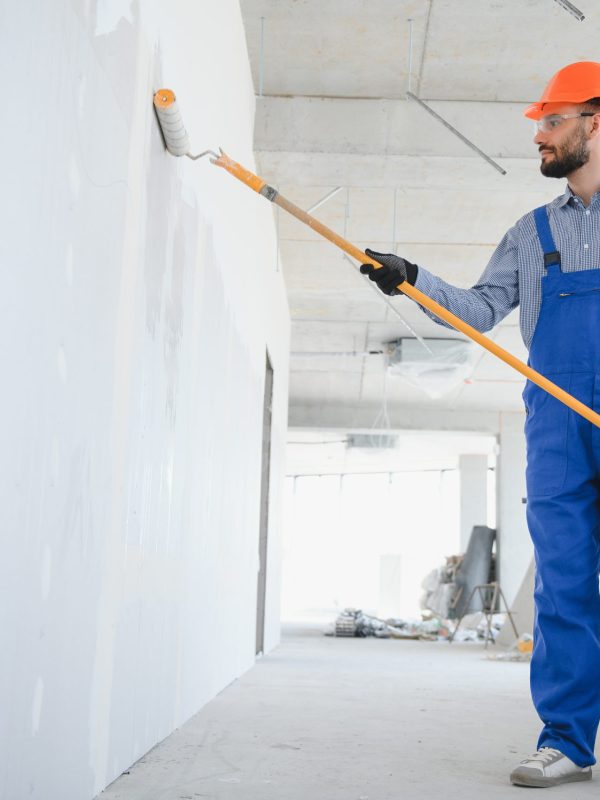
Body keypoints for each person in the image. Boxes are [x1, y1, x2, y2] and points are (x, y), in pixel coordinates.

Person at [360, 61, 600, 789]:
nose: (540, 134)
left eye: (553, 120)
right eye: (540, 124)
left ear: (596, 122)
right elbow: (480, 311)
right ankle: (567, 740)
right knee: (563, 587)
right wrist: (412, 278)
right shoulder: (531, 233)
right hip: (558, 426)